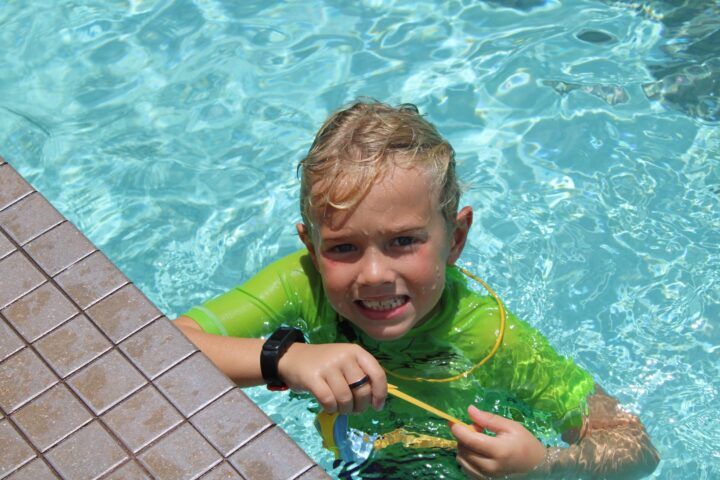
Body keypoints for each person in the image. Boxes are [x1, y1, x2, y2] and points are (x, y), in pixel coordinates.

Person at [175, 100, 659, 478]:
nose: (373, 275)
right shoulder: (304, 285)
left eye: (403, 241)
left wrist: (545, 465)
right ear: (310, 243)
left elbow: (636, 448)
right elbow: (162, 347)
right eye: (342, 248)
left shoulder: (489, 338)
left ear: (456, 239)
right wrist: (284, 358)